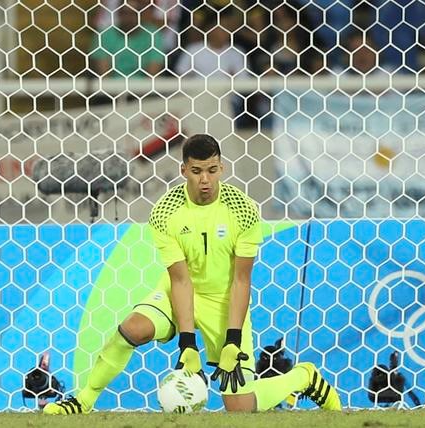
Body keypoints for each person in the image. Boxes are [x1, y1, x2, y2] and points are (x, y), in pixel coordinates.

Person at [43, 134, 342, 414]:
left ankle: (303, 378)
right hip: (178, 293)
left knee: (238, 406)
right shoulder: (165, 212)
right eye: (197, 171)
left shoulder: (244, 210)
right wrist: (187, 344)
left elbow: (241, 280)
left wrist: (232, 340)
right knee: (133, 328)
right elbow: (180, 280)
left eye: (212, 170)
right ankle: (82, 400)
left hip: (224, 302)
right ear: (184, 169)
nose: (205, 180)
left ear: (222, 167)